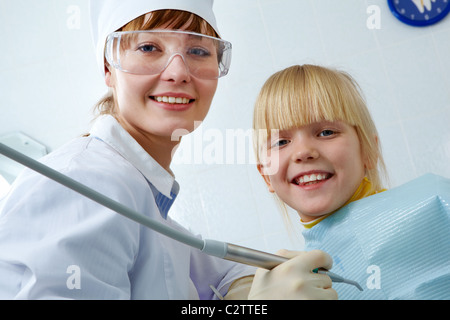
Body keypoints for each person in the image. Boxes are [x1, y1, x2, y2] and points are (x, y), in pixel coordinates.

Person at [0, 2, 337, 300]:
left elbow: (225, 275)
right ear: (108, 68)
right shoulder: (85, 184)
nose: (178, 72)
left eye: (199, 51)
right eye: (149, 47)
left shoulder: (151, 206)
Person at [253, 64, 450, 299]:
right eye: (281, 142)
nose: (303, 152)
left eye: (326, 132)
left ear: (368, 150)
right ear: (266, 175)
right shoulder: (299, 286)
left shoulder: (437, 204)